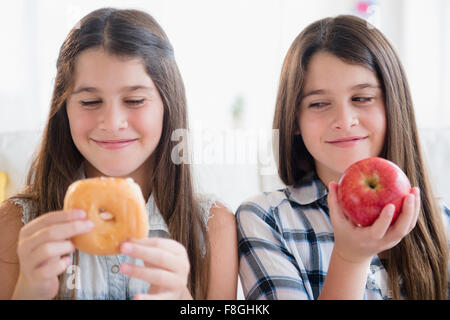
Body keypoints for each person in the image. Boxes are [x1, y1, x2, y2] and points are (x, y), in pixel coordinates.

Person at [0, 7, 238, 300]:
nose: (112, 122)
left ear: (168, 104)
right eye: (90, 101)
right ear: (64, 110)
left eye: (135, 100)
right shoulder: (16, 224)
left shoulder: (214, 227)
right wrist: (29, 292)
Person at [236, 15, 449, 300]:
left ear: (393, 106)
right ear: (295, 120)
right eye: (319, 103)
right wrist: (350, 259)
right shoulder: (266, 219)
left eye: (361, 98)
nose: (344, 120)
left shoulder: (442, 221)